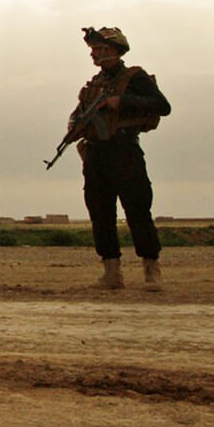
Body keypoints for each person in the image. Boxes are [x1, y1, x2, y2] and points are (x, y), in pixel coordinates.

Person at [71, 26, 172, 290]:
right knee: (100, 212)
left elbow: (163, 106)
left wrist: (122, 101)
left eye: (102, 50)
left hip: (124, 150)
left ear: (116, 51)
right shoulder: (94, 85)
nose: (96, 55)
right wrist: (74, 129)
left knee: (137, 210)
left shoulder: (134, 78)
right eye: (94, 50)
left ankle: (151, 271)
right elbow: (78, 113)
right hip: (96, 154)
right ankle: (111, 272)